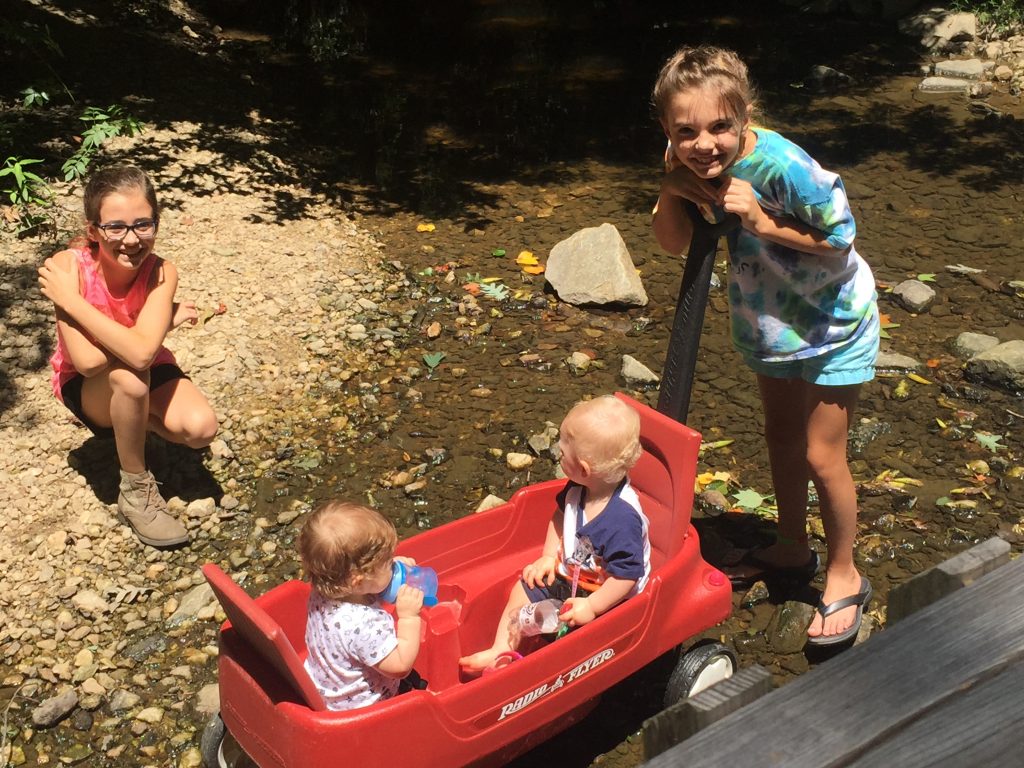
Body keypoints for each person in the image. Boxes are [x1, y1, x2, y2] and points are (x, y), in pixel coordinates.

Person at [651, 45, 878, 645]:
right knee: (779, 436)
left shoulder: (784, 166)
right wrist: (673, 186)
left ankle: (843, 572)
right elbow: (672, 243)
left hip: (834, 321)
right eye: (687, 131)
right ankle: (792, 547)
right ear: (669, 130)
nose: (705, 144)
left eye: (720, 127)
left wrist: (760, 219)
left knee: (821, 454)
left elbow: (840, 238)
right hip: (770, 323)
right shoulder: (684, 157)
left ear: (744, 115)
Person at [38, 165, 218, 548]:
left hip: (145, 366)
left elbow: (144, 352)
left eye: (143, 225)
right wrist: (147, 332)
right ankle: (136, 489)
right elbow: (87, 362)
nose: (131, 239)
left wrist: (70, 302)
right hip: (88, 386)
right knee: (130, 377)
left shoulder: (161, 271)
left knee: (202, 430)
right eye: (115, 227)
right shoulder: (68, 268)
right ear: (93, 231)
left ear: (156, 223)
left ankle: (134, 423)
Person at [459, 395, 650, 672]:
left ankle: (559, 671)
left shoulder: (622, 520)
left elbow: (626, 576)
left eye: (562, 452)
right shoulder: (577, 489)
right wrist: (548, 556)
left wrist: (593, 606)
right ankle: (500, 650)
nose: (557, 452)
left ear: (584, 469)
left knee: (579, 636)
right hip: (573, 574)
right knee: (524, 588)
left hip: (609, 594)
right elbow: (560, 517)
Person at [299, 501, 425, 711]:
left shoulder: (325, 589)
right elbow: (401, 666)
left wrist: (387, 572)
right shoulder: (365, 625)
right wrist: (409, 617)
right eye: (388, 562)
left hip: (327, 690)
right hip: (364, 705)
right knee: (413, 686)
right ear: (358, 581)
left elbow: (369, 588)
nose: (393, 564)